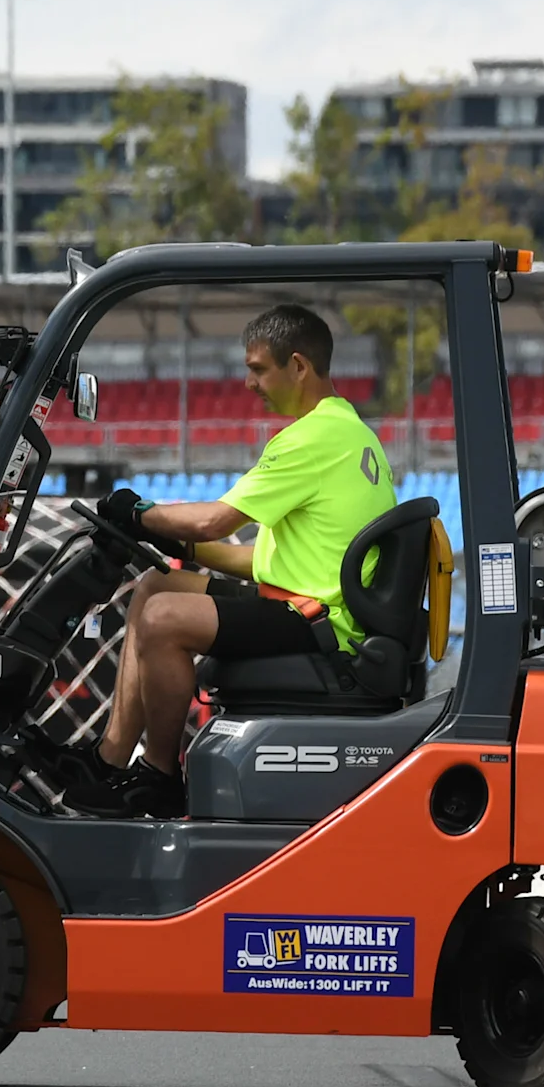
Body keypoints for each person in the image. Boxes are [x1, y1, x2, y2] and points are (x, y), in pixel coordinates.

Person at [55, 303, 400, 817]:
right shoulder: (348, 431)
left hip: (318, 620)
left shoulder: (310, 440)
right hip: (309, 601)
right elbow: (261, 557)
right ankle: (109, 760)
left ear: (299, 367)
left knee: (163, 620)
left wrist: (143, 512)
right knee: (155, 587)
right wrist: (181, 547)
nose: (248, 383)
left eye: (258, 369)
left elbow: (214, 521)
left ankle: (158, 775)